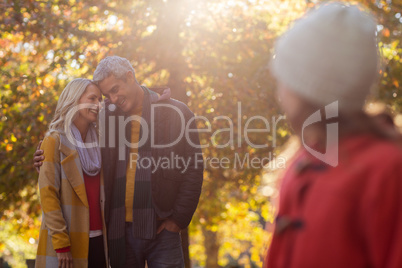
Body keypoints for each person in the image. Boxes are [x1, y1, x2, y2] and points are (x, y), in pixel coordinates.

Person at [265, 2, 402, 268]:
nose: (279, 92)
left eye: (285, 79)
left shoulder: (388, 170)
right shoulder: (303, 161)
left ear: (307, 89)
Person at [35, 56, 204, 268]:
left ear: (130, 76)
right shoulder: (105, 117)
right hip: (118, 232)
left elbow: (194, 169)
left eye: (115, 90)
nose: (112, 99)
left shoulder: (176, 113)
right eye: (107, 95)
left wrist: (177, 220)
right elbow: (76, 149)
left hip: (162, 229)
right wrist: (45, 157)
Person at [35, 79, 108, 268]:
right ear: (74, 99)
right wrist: (61, 245)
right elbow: (48, 195)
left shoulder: (101, 142)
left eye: (99, 100)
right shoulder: (54, 141)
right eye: (92, 98)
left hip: (101, 241)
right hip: (68, 242)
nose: (97, 105)